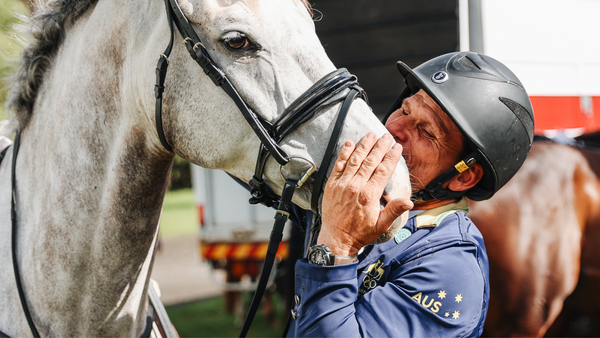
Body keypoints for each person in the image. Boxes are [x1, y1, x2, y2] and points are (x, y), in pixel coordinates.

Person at [286, 51, 535, 337]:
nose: (393, 129)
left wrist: (338, 246)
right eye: (404, 110)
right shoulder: (359, 197)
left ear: (463, 175)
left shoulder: (452, 269)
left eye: (426, 131)